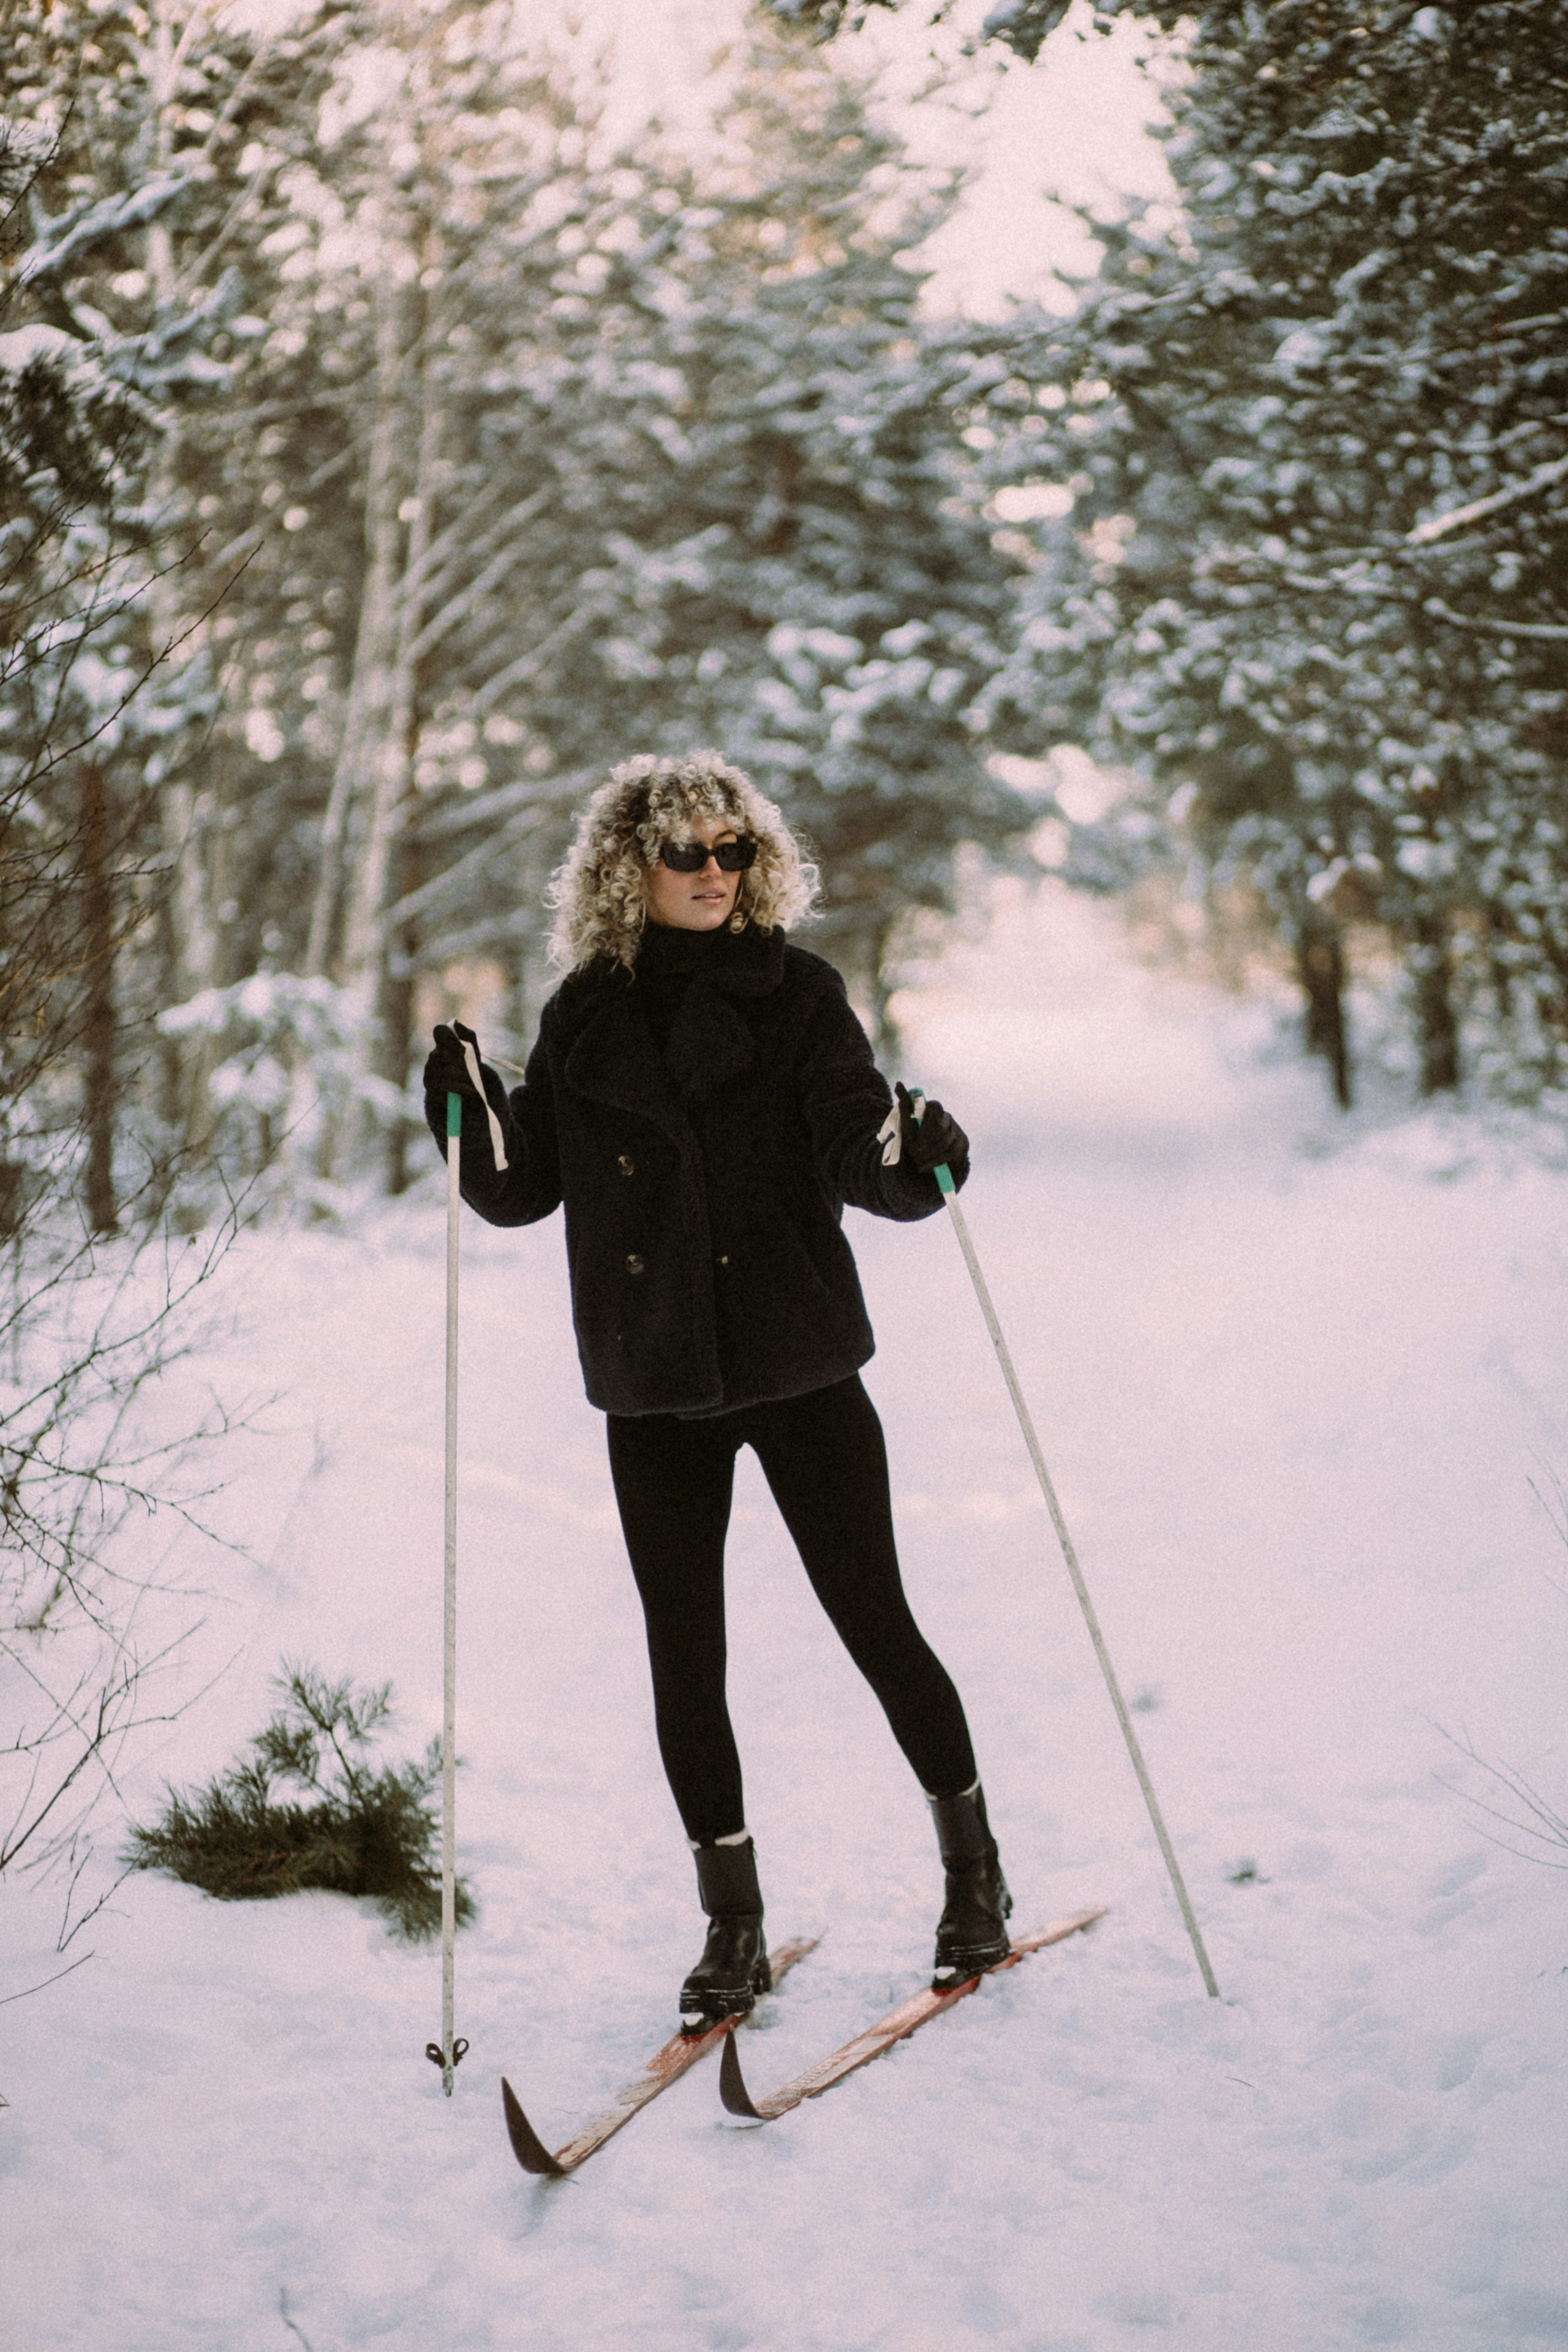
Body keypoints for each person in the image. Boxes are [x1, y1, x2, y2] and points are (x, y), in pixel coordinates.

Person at [424, 751, 1012, 2032]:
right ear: (626, 867)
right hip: (654, 1380)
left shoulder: (800, 993)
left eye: (730, 851)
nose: (709, 873)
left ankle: (975, 1877)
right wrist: (467, 1122)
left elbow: (860, 1150)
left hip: (794, 1358)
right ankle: (729, 1924)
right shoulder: (587, 1011)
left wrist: (920, 1165)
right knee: (683, 1659)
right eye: (683, 852)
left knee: (874, 1622)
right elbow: (528, 1193)